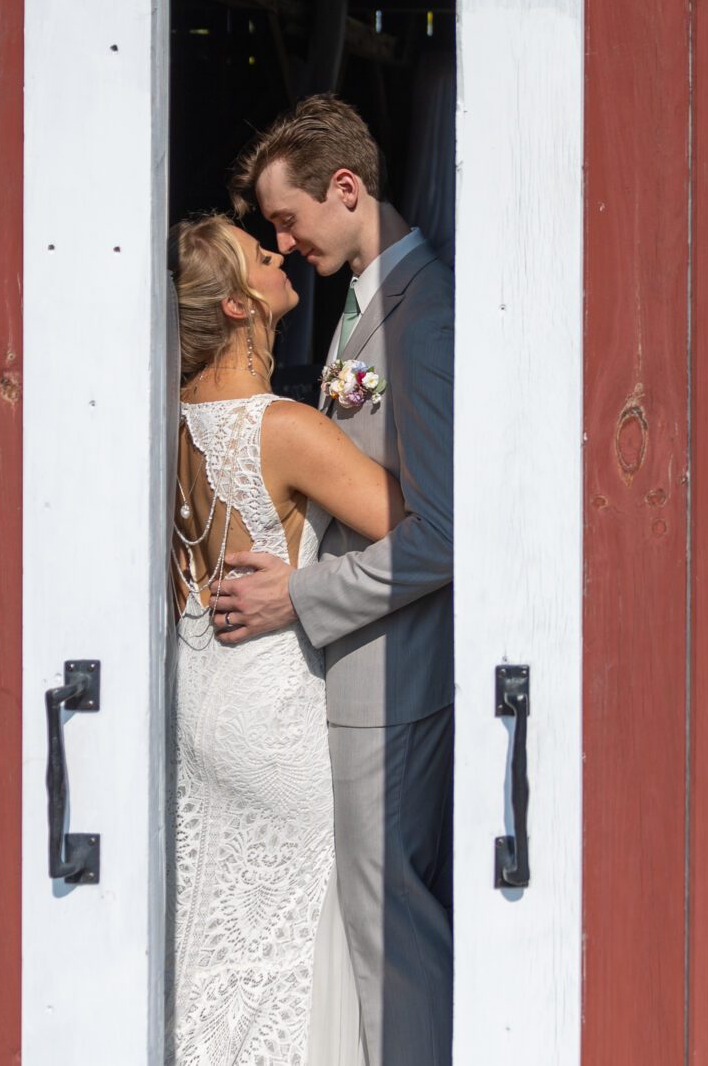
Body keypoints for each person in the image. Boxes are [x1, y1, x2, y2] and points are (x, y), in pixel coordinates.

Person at [210, 96, 455, 1066]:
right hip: (368, 679)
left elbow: (440, 535)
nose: (281, 242)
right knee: (374, 926)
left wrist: (297, 598)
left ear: (344, 190)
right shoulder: (368, 299)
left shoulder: (422, 318)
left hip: (392, 681)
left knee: (391, 932)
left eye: (286, 219)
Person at [169, 215, 399, 1065]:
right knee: (286, 956)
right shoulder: (279, 426)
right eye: (261, 256)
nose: (279, 253)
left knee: (205, 938)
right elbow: (417, 527)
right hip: (273, 720)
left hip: (194, 711)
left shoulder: (167, 422)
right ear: (237, 305)